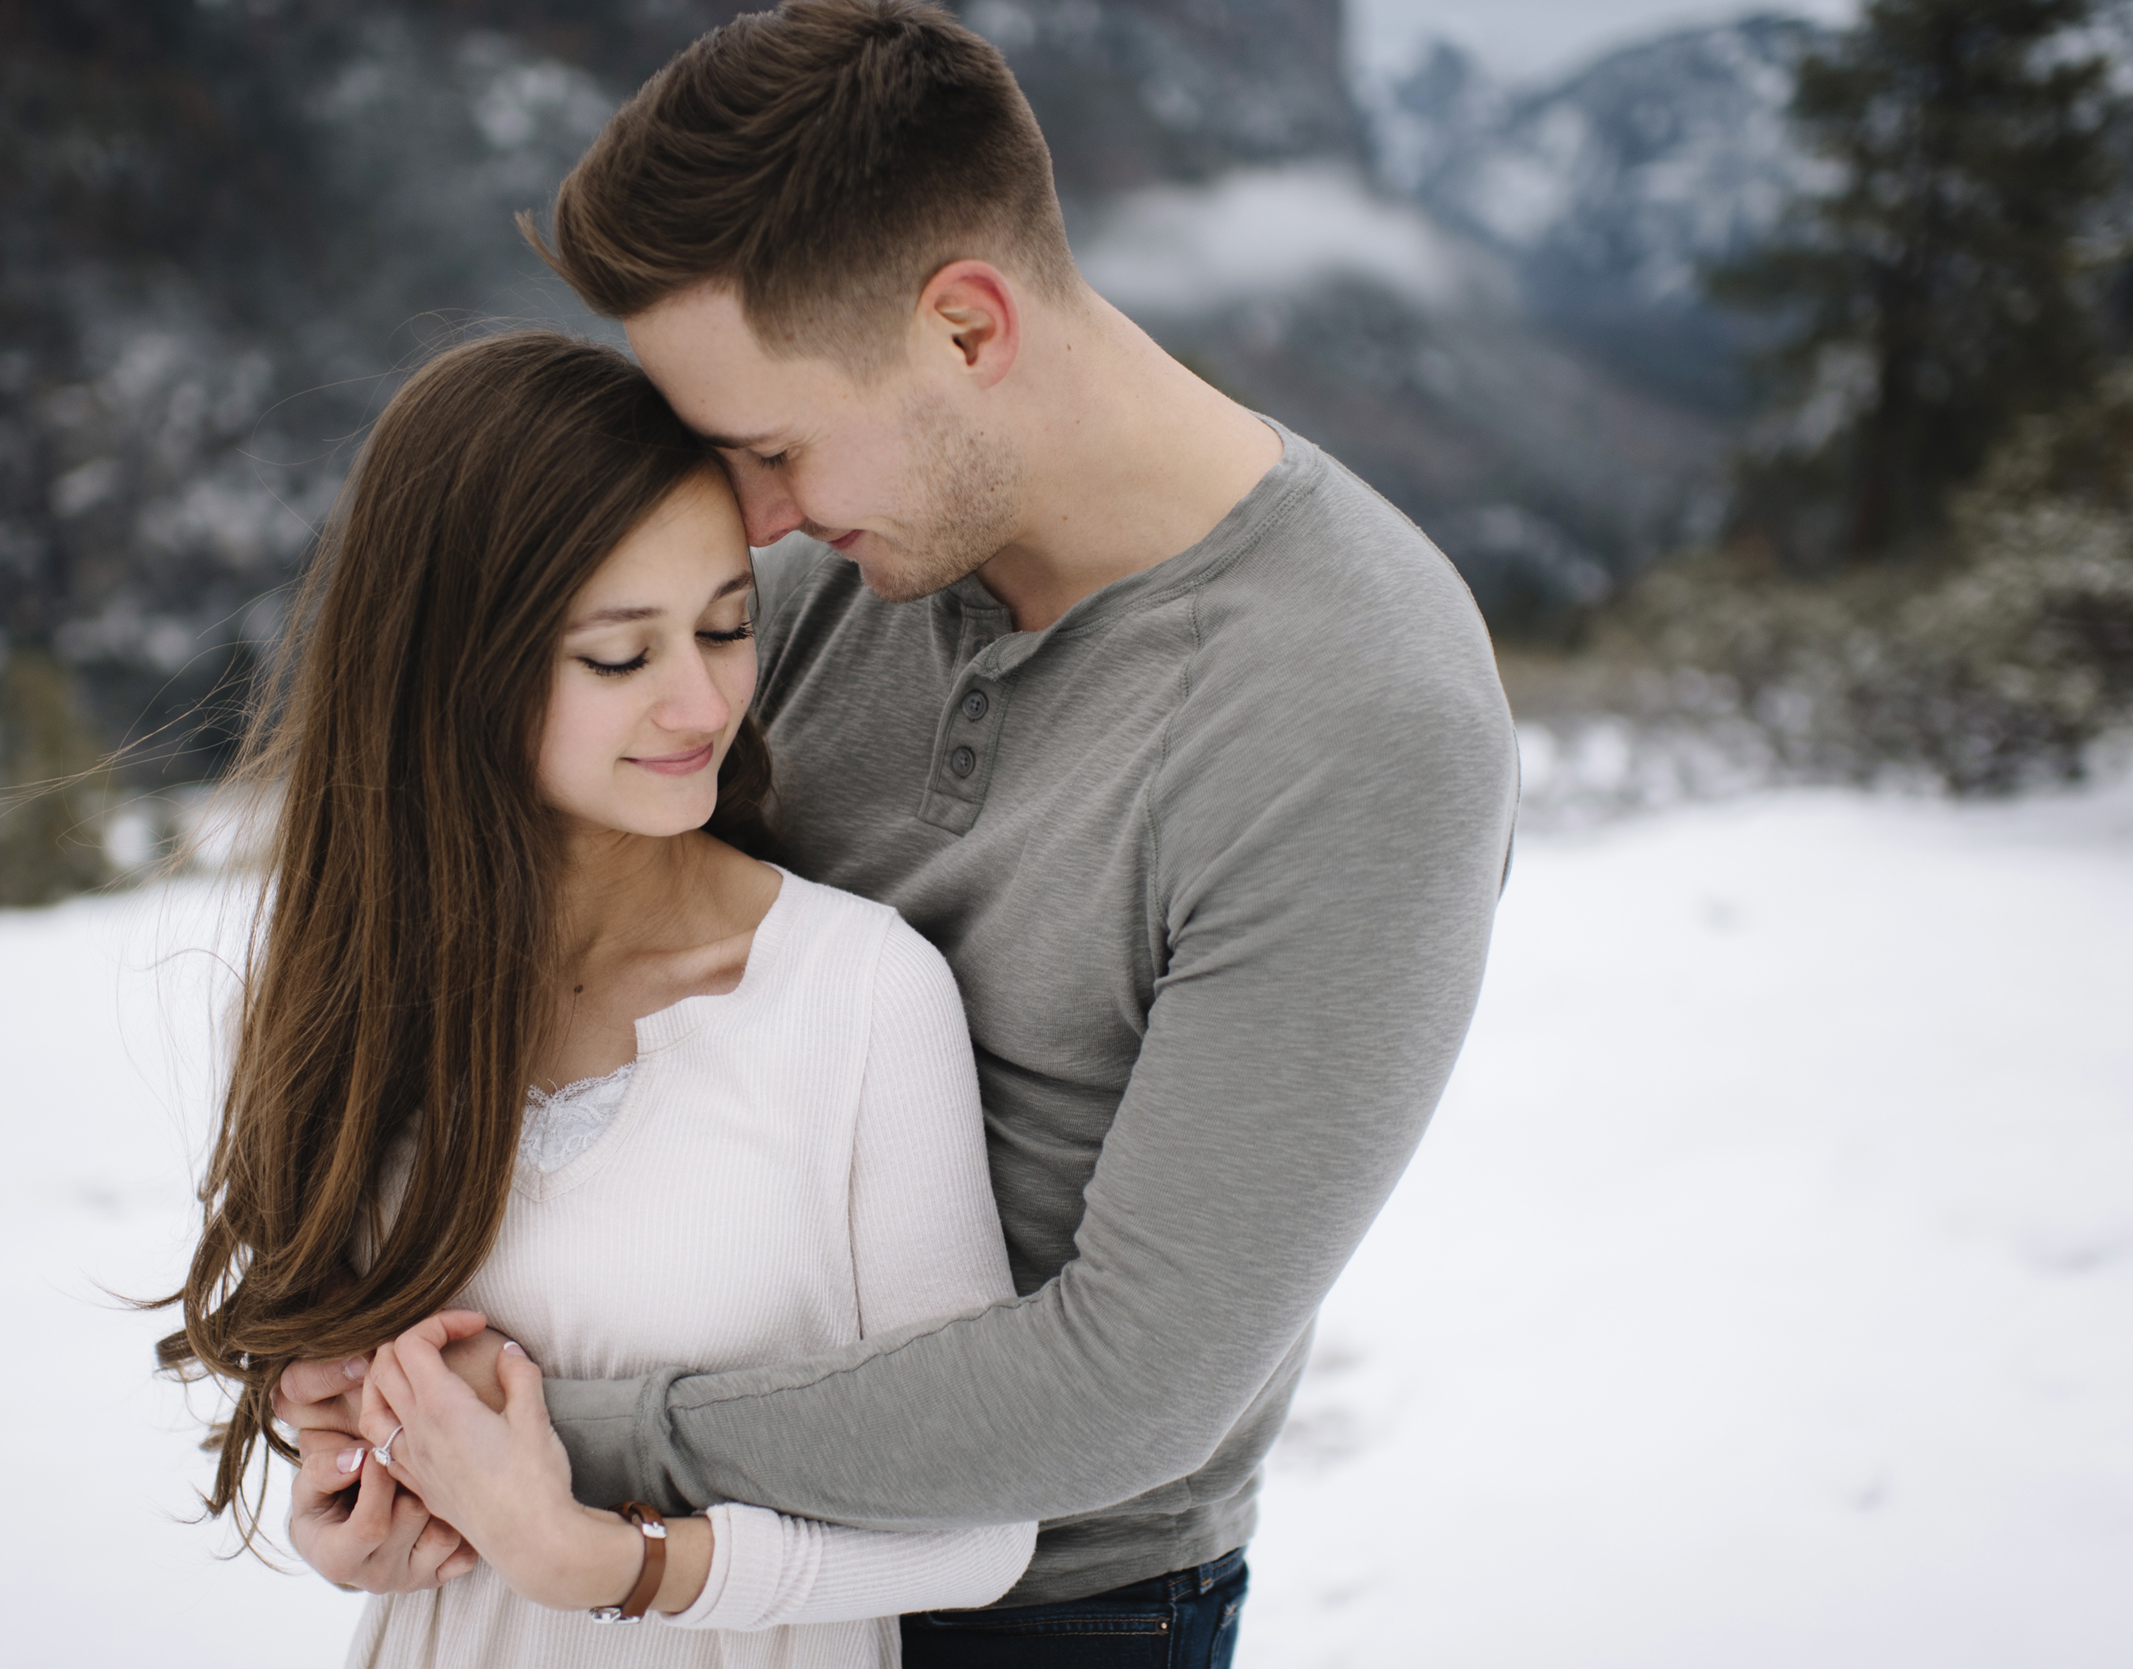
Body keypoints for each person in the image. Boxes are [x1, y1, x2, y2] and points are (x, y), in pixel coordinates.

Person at [281, 2, 1521, 1664]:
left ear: (963, 326)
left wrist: (542, 1439)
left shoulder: (1358, 712)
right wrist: (373, 1397)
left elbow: (1132, 1382)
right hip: (641, 1583)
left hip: (1052, 1613)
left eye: (775, 444)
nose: (762, 514)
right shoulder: (812, 588)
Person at [159, 329, 1037, 1667]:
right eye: (620, 656)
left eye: (728, 626)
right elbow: (358, 1421)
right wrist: (356, 1507)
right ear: (459, 668)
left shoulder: (856, 995)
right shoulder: (354, 997)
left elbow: (982, 1524)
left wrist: (620, 1563)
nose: (701, 700)